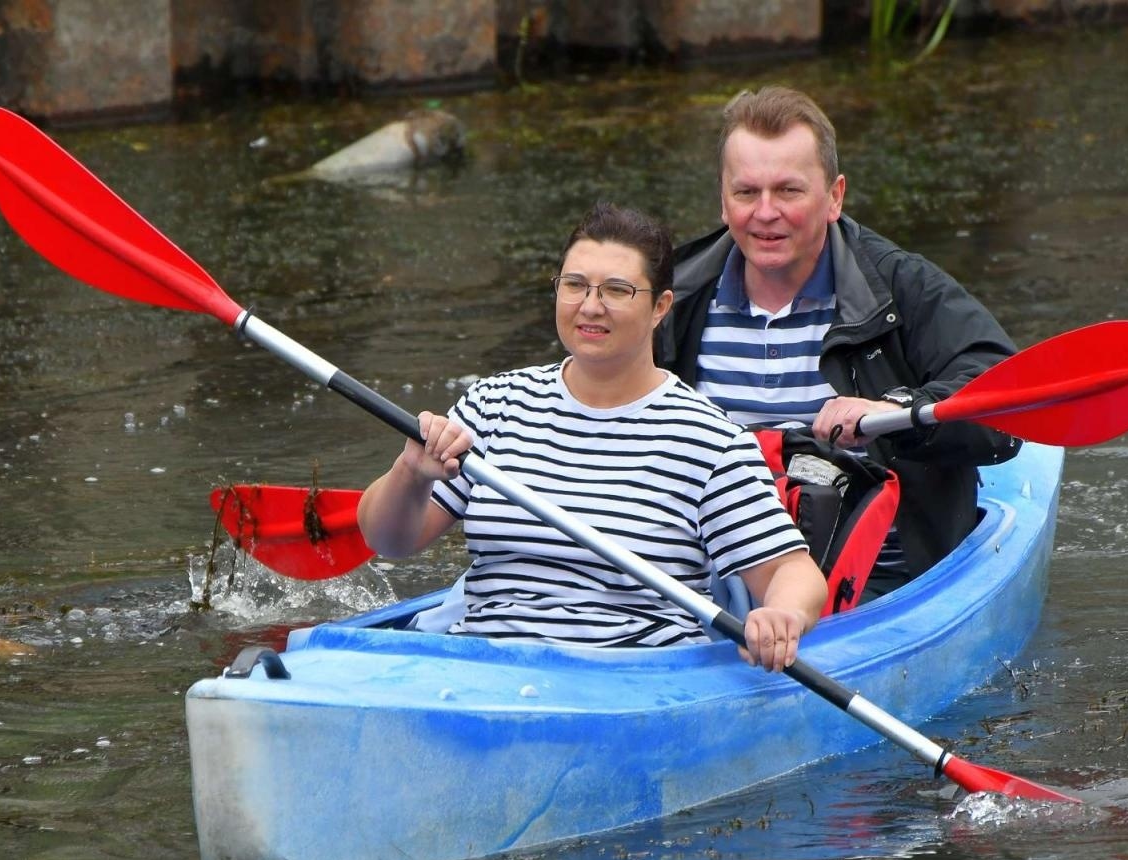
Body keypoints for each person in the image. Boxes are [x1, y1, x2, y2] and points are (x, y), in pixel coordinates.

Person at [358, 202, 826, 671]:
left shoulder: (709, 439)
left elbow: (791, 570)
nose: (590, 306)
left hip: (630, 678)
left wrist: (782, 614)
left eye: (617, 290)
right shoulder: (494, 403)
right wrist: (410, 474)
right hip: (485, 667)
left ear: (660, 306)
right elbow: (390, 542)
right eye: (575, 285)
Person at [657, 85, 1021, 598]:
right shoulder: (669, 297)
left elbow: (1002, 400)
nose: (765, 213)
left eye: (788, 191)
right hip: (708, 576)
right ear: (723, 200)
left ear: (834, 196)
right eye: (746, 192)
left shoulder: (902, 286)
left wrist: (895, 410)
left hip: (878, 575)